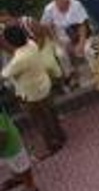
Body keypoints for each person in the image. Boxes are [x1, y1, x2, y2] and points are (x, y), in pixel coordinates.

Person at [2, 25, 66, 158]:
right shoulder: (31, 44)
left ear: (10, 41)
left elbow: (4, 74)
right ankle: (61, 136)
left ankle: (52, 145)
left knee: (40, 121)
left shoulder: (19, 59)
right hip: (44, 86)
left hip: (31, 95)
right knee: (51, 114)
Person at [0, 98, 39, 191]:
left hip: (10, 146)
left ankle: (30, 187)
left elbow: (2, 135)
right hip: (4, 147)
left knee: (22, 166)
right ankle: (18, 178)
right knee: (12, 164)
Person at [41, 0, 90, 69]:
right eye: (55, 0)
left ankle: (97, 71)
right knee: (61, 54)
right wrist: (59, 42)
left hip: (78, 35)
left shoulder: (76, 5)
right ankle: (70, 74)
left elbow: (83, 25)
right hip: (60, 37)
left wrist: (81, 43)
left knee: (88, 50)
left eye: (61, 0)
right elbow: (47, 27)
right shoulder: (49, 9)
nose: (57, 3)